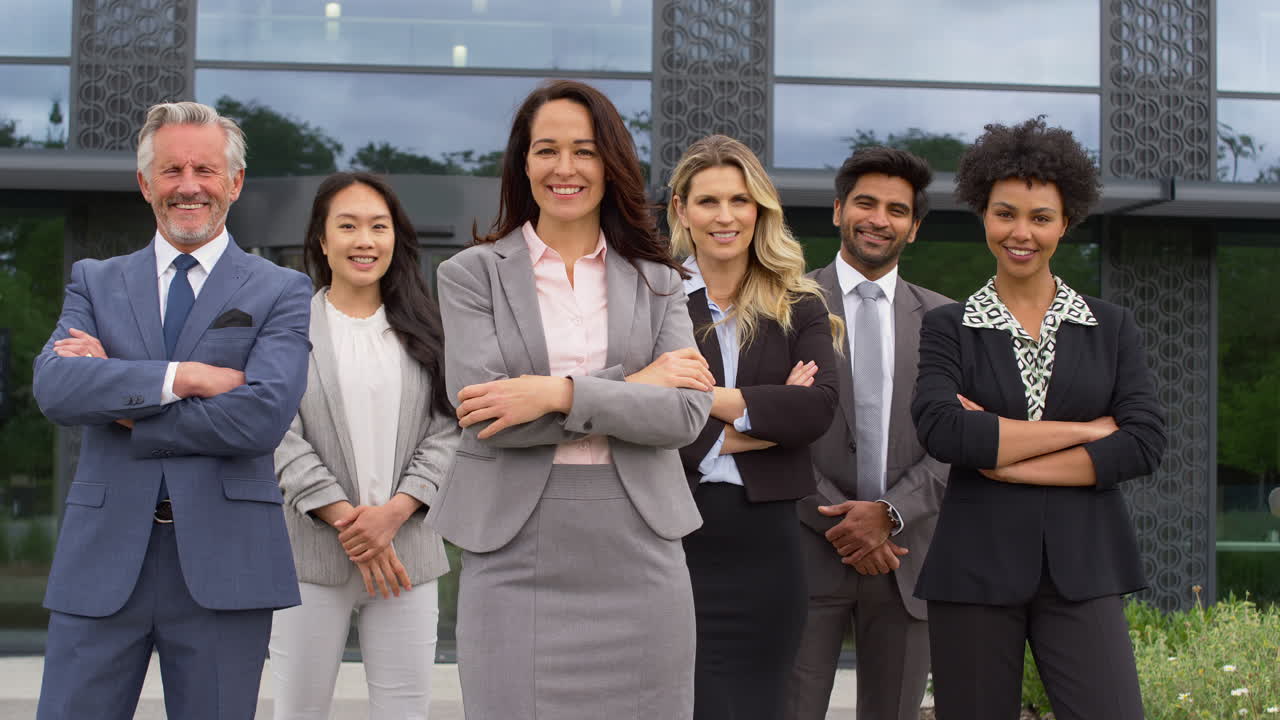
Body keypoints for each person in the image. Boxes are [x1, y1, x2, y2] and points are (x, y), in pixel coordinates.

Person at [426, 79, 714, 720]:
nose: (565, 168)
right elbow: (488, 417)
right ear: (522, 163)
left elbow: (684, 415)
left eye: (584, 150)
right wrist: (637, 384)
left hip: (641, 545)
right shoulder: (470, 275)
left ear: (610, 164)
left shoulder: (660, 280)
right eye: (546, 150)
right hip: (513, 549)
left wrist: (554, 392)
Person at [32, 101, 311, 720]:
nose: (189, 186)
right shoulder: (94, 281)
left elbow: (262, 418)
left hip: (226, 565)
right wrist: (183, 378)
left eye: (205, 170)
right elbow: (56, 388)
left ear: (234, 182)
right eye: (172, 170)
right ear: (145, 182)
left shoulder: (281, 289)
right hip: (101, 560)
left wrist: (124, 404)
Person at [911, 117, 1167, 720]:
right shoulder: (949, 327)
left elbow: (1143, 442)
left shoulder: (1111, 327)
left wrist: (1008, 462)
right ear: (983, 214)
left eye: (1040, 217)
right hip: (973, 570)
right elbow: (945, 430)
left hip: (1085, 566)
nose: (1020, 232)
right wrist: (1086, 431)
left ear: (1065, 222)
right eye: (1005, 214)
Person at [270, 172, 459, 719]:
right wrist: (350, 522)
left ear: (395, 238)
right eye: (348, 226)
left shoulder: (429, 329)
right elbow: (278, 434)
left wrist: (392, 515)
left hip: (407, 557)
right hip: (310, 557)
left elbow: (450, 431)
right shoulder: (287, 329)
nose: (365, 241)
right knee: (297, 711)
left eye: (379, 226)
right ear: (322, 239)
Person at [667, 134, 840, 720]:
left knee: (762, 704)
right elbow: (639, 416)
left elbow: (816, 411)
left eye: (739, 200)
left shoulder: (800, 302)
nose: (725, 216)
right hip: (674, 531)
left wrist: (699, 401)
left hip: (769, 542)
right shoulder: (653, 297)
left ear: (760, 209)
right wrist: (766, 420)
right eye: (708, 201)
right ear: (681, 210)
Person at [785, 147, 951, 720]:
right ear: (838, 210)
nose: (879, 219)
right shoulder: (784, 304)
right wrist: (846, 523)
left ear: (914, 226)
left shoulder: (947, 321)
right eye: (865, 203)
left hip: (906, 557)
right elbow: (768, 424)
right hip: (805, 551)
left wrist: (890, 514)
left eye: (897, 210)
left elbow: (959, 442)